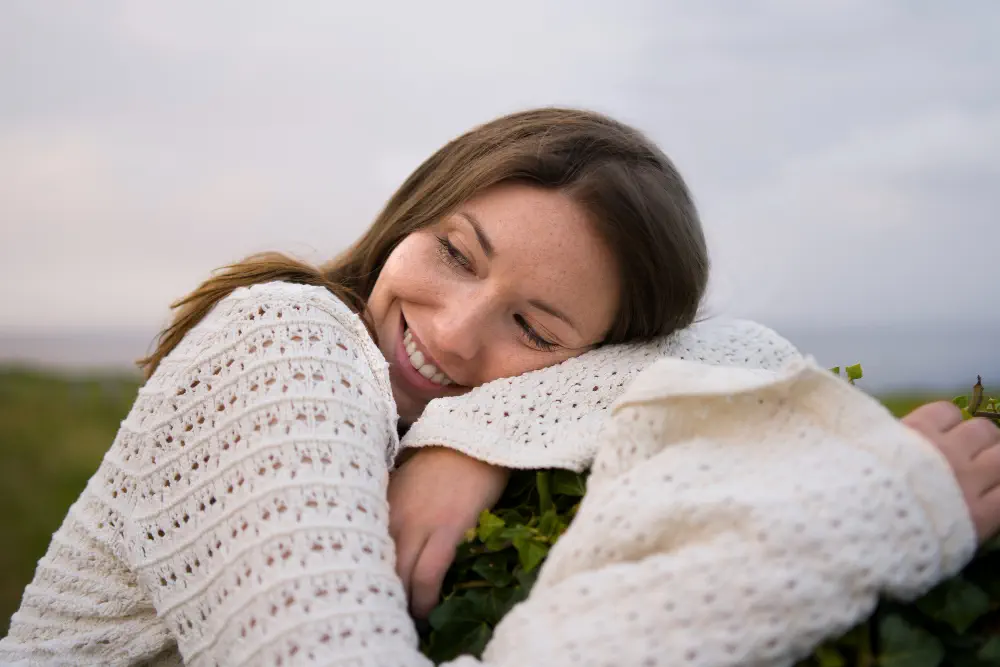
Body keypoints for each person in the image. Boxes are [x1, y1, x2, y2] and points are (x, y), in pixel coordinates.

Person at [0, 107, 996, 667]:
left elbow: (719, 344)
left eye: (533, 326)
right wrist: (867, 520)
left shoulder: (432, 409)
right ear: (410, 214)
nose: (450, 330)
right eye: (455, 252)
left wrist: (480, 428)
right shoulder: (284, 340)